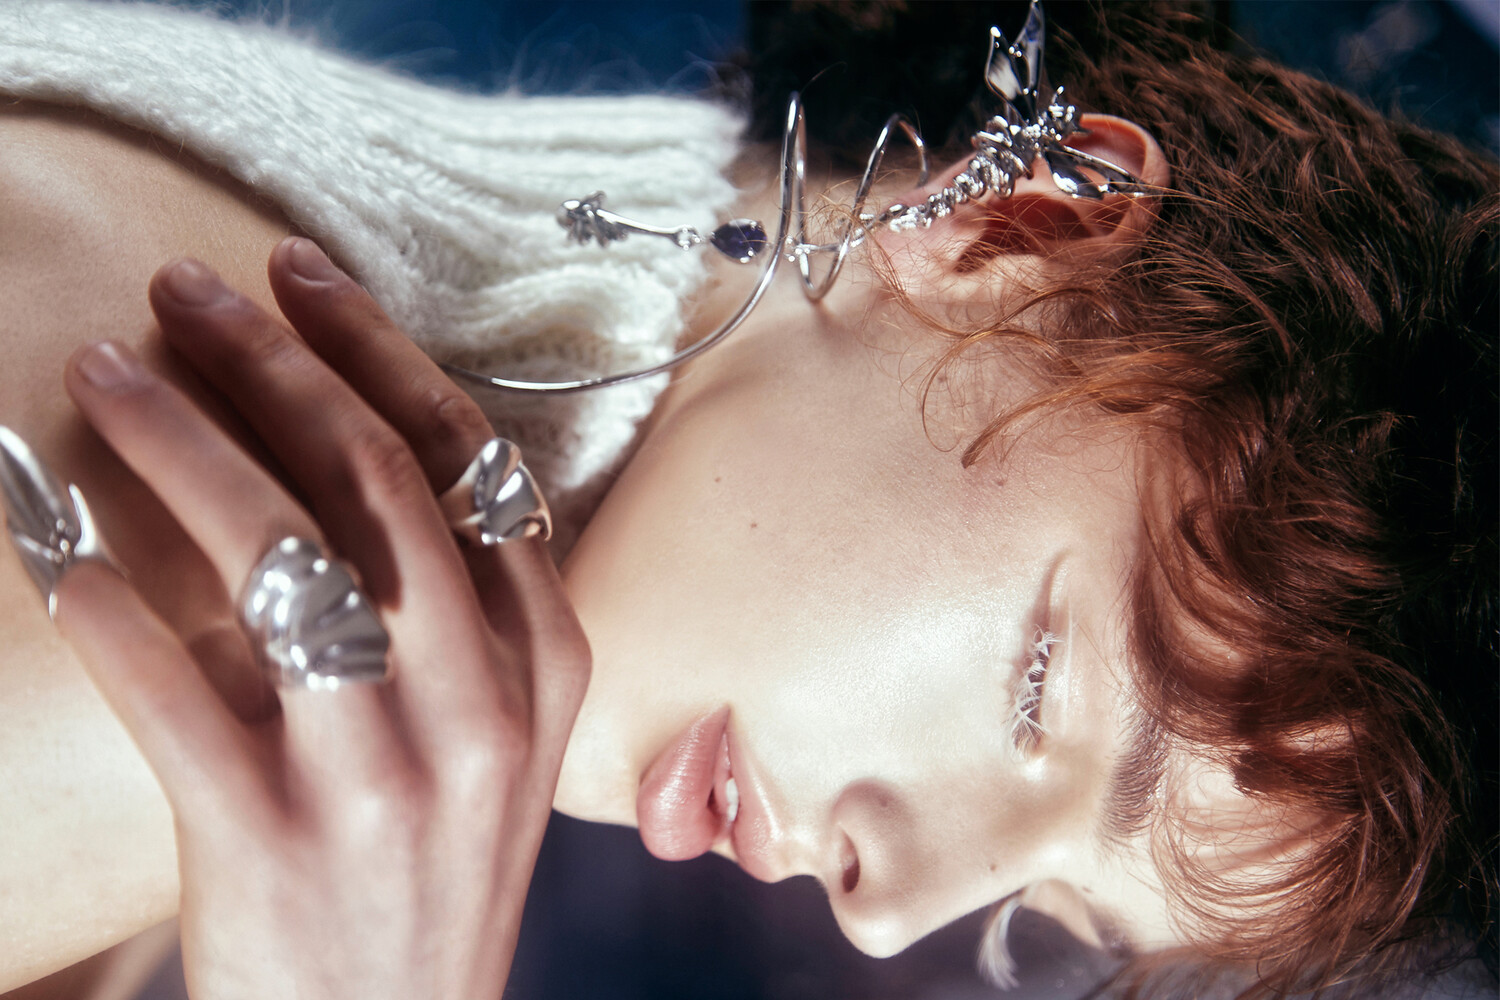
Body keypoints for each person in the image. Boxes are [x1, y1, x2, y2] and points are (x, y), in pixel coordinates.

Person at [0, 2, 1493, 998]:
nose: (884, 909)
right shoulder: (194, 613)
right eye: (1041, 691)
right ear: (1012, 232)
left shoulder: (250, 226)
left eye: (1046, 909)